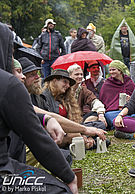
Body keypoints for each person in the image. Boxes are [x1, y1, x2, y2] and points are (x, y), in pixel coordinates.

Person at [0, 21, 78, 194]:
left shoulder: (69, 96)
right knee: (60, 189)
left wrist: (46, 119)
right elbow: (34, 134)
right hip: (4, 173)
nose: (36, 77)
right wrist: (69, 177)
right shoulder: (10, 85)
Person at [41, 69, 96, 148]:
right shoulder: (44, 97)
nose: (68, 86)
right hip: (54, 134)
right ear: (55, 80)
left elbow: (74, 121)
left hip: (68, 130)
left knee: (95, 121)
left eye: (68, 83)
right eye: (65, 82)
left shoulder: (64, 97)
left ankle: (86, 140)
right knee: (76, 135)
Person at [99, 60, 135, 128]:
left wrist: (130, 99)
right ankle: (126, 124)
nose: (111, 72)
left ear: (120, 70)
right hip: (113, 111)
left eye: (113, 69)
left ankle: (127, 123)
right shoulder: (107, 84)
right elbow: (103, 100)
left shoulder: (129, 81)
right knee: (108, 116)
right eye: (110, 70)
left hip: (128, 109)